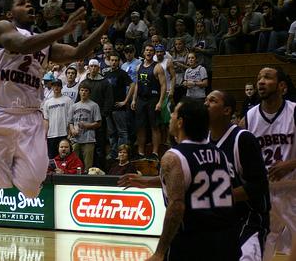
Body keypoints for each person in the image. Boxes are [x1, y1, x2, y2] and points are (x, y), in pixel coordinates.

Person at [0, 0, 116, 207]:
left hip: (31, 118)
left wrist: (106, 23)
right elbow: (21, 44)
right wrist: (64, 29)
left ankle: (2, 173)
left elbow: (77, 52)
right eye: (21, 3)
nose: (28, 5)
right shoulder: (2, 28)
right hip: (0, 113)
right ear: (10, 13)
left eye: (30, 3)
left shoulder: (44, 44)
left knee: (31, 189)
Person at [119, 100, 238, 261]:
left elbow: (176, 206)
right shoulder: (219, 153)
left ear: (180, 122)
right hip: (226, 237)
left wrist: (160, 252)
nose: (171, 117)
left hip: (193, 240)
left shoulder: (173, 156)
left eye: (174, 113)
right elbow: (193, 181)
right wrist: (146, 182)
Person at [205, 90, 270, 260]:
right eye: (205, 100)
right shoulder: (202, 141)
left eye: (212, 101)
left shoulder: (243, 139)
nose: (205, 104)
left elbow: (259, 186)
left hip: (247, 219)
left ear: (227, 110)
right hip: (216, 221)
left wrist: (218, 197)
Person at [244, 67, 296, 261]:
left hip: (293, 191)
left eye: (267, 77)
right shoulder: (249, 118)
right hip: (265, 195)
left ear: (282, 86)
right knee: (263, 251)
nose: (261, 82)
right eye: (258, 78)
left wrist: (290, 164)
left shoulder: (294, 111)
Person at [131, 44, 166, 160]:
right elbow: (137, 84)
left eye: (151, 50)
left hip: (153, 99)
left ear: (154, 53)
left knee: (154, 126)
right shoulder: (138, 67)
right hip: (141, 99)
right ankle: (140, 152)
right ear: (143, 52)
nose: (149, 52)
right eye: (147, 50)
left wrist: (160, 102)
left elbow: (163, 86)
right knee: (140, 126)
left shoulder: (158, 67)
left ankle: (155, 153)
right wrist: (134, 99)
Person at [69, 81, 101, 171]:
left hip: (88, 139)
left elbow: (98, 123)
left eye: (86, 90)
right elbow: (70, 122)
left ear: (89, 92)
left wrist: (88, 125)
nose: (83, 92)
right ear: (79, 91)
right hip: (75, 139)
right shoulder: (74, 106)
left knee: (88, 166)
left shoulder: (94, 105)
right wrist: (72, 130)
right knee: (74, 164)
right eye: (82, 90)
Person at [43, 78, 73, 159]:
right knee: (52, 158)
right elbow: (46, 120)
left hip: (64, 133)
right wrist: (45, 134)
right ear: (52, 87)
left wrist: (70, 132)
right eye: (54, 85)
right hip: (51, 135)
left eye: (58, 85)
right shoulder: (47, 102)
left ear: (61, 87)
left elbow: (71, 118)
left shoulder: (68, 100)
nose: (56, 87)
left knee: (65, 158)